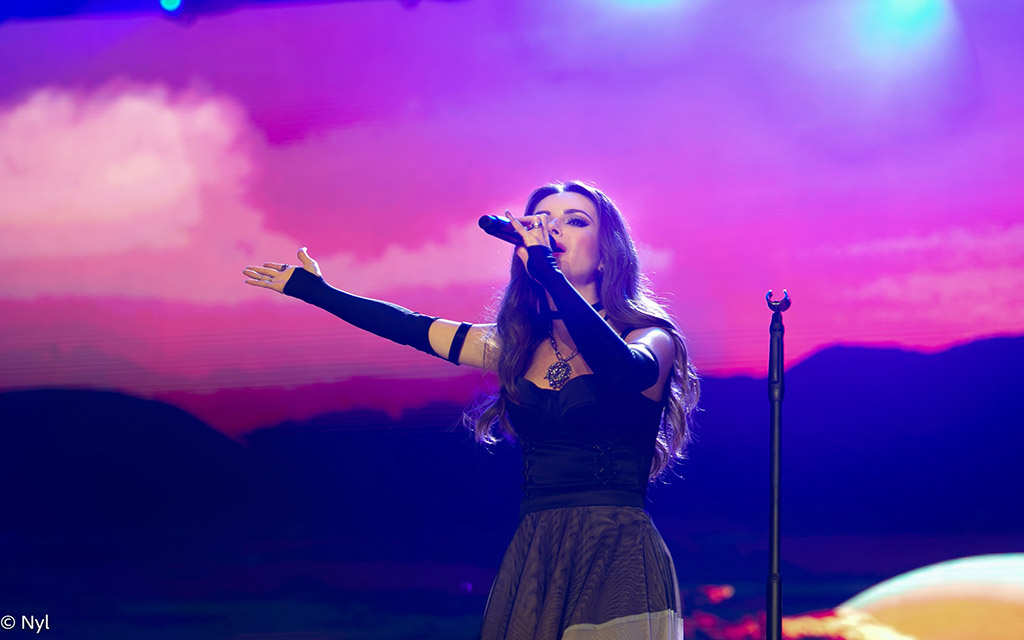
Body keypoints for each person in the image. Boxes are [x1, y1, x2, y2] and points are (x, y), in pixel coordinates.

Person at [242, 180, 699, 639]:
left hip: (615, 550)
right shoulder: (515, 345)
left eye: (575, 221)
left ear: (606, 253)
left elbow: (620, 371)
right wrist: (320, 292)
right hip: (538, 550)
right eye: (542, 222)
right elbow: (410, 327)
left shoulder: (648, 336)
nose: (552, 231)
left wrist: (548, 271)